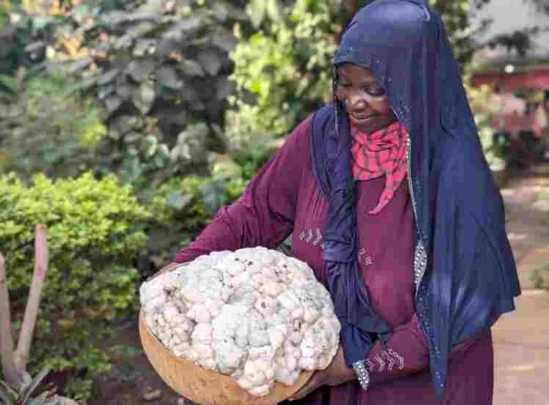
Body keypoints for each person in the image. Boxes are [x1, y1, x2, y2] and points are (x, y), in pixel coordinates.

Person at [166, 0, 521, 403]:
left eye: (375, 89)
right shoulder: (322, 137)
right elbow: (256, 213)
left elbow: (456, 309)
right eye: (345, 83)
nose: (354, 102)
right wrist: (181, 270)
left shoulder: (451, 173)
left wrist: (356, 365)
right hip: (327, 364)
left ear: (414, 85)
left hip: (418, 384)